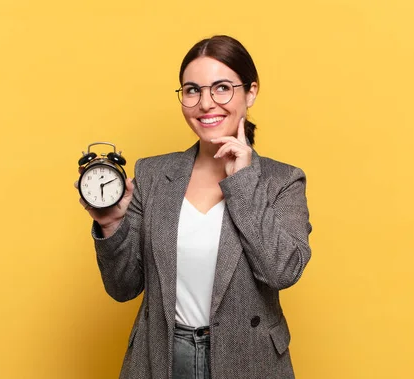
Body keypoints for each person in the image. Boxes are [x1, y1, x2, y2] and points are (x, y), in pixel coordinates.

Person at [76, 35, 312, 379]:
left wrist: (243, 181)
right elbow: (123, 287)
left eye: (221, 88)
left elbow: (282, 272)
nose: (206, 103)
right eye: (192, 90)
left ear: (251, 92)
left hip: (248, 358)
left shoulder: (283, 181)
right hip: (163, 357)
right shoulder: (152, 174)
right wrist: (112, 225)